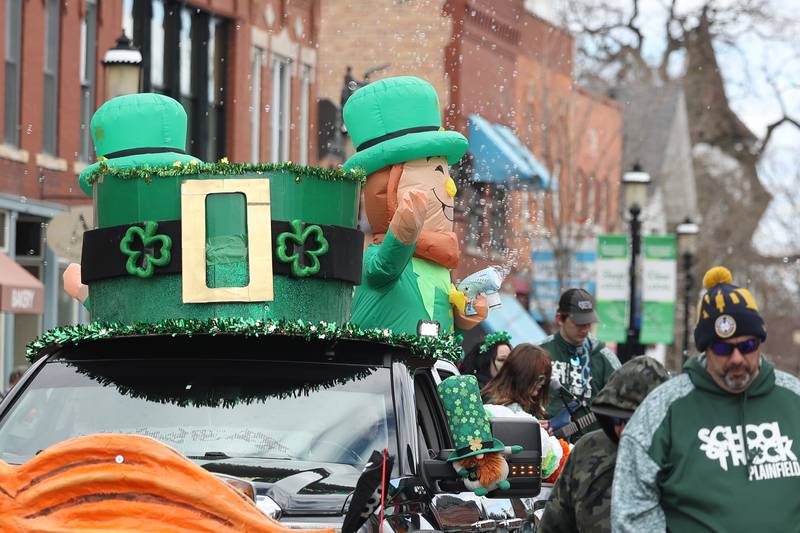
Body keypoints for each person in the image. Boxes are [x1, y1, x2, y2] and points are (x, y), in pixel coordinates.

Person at [612, 266, 800, 532]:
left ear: (759, 343)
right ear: (706, 349)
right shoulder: (662, 410)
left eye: (746, 346)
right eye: (723, 348)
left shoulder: (793, 399)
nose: (736, 358)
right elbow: (631, 509)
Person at [538, 356, 669, 533]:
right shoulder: (589, 448)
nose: (620, 429)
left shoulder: (681, 455)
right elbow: (554, 524)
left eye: (631, 420)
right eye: (615, 419)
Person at [481, 344, 570, 485]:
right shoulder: (494, 406)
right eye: (540, 378)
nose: (543, 383)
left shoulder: (526, 405)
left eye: (545, 378)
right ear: (524, 375)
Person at [540, 288, 621, 433]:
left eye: (588, 322)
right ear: (560, 319)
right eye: (579, 323)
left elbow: (621, 402)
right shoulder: (540, 353)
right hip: (549, 446)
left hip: (592, 448)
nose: (585, 328)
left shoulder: (604, 356)